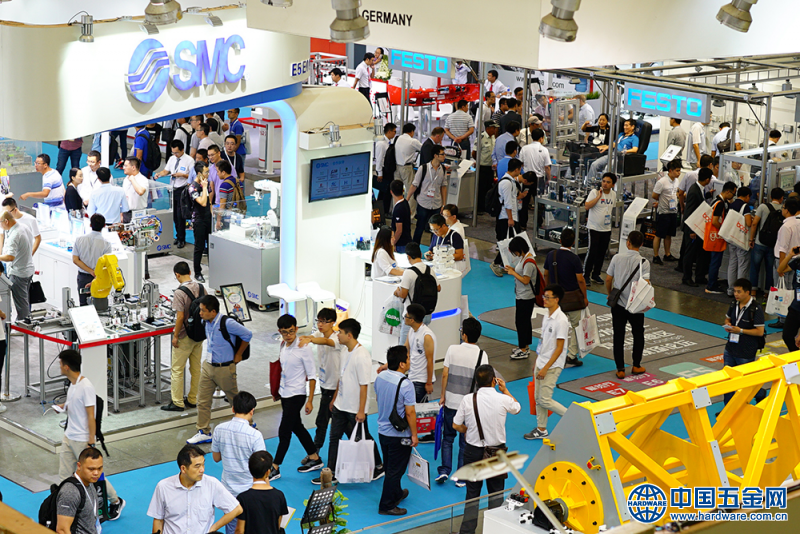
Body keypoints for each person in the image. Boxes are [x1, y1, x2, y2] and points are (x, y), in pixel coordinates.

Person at [56, 349, 125, 520]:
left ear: (66, 366)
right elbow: (73, 404)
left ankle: (115, 501)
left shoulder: (86, 386)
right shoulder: (73, 384)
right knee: (64, 476)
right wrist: (62, 406)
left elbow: (90, 416)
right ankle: (66, 508)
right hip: (69, 436)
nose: (60, 366)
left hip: (81, 440)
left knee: (94, 475)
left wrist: (91, 442)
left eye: (60, 364)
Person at [315, 319, 384, 485]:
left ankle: (379, 465)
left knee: (363, 437)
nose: (337, 335)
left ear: (349, 335)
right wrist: (335, 398)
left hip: (354, 409)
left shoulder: (362, 356)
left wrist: (361, 410)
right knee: (334, 438)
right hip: (340, 405)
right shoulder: (345, 350)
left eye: (340, 332)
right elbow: (342, 377)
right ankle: (331, 473)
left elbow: (364, 386)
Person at [453, 364, 520, 534]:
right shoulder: (503, 399)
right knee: (496, 493)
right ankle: (494, 530)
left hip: (473, 451)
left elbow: (456, 425)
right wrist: (505, 390)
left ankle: (467, 531)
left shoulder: (468, 399)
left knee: (472, 494)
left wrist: (467, 431)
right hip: (496, 453)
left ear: (476, 381)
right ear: (494, 381)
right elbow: (517, 408)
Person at [188, 294, 252, 445]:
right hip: (208, 366)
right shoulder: (206, 321)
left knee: (234, 400)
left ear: (213, 312)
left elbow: (247, 334)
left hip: (225, 368)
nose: (200, 313)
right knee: (202, 400)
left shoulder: (227, 323)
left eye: (203, 310)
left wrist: (238, 354)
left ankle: (248, 425)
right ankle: (203, 431)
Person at [148, 444, 243, 534]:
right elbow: (158, 520)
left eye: (203, 464)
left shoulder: (212, 484)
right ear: (183, 469)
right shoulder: (163, 487)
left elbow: (236, 509)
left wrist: (212, 529)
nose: (202, 470)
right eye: (197, 466)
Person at [272, 314, 323, 478]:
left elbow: (312, 375)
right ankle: (314, 457)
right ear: (279, 331)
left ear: (296, 329)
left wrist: (310, 400)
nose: (288, 335)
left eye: (291, 331)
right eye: (284, 332)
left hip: (297, 395)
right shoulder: (283, 345)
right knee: (297, 427)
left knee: (284, 431)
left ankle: (275, 466)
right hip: (285, 393)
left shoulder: (304, 347)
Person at [211, 392, 266, 534]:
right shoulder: (255, 435)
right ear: (252, 411)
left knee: (232, 527)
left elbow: (216, 458)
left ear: (233, 409)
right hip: (250, 490)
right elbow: (261, 467)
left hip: (228, 490)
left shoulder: (219, 429)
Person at [437, 317, 483, 485]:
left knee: (448, 437)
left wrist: (443, 395)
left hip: (451, 401)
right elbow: (482, 381)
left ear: (464, 335)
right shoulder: (482, 355)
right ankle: (461, 477)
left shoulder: (452, 349)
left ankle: (444, 470)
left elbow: (445, 374)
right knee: (465, 440)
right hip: (469, 405)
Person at [374, 345, 418, 516]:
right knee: (395, 470)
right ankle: (386, 505)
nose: (410, 361)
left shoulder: (380, 377)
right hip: (399, 435)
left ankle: (397, 493)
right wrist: (414, 434)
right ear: (401, 364)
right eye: (408, 358)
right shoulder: (406, 384)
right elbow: (410, 412)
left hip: (382, 431)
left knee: (390, 466)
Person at [523, 284, 570, 439]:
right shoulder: (547, 316)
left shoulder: (561, 321)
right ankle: (541, 429)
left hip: (552, 366)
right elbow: (543, 341)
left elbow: (559, 348)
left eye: (548, 297)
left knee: (544, 399)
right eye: (544, 296)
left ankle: (572, 417)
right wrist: (537, 361)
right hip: (541, 362)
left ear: (557, 299)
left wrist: (545, 367)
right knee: (538, 398)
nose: (544, 300)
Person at [298, 308, 342, 458]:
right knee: (328, 422)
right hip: (324, 385)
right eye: (319, 321)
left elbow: (325, 341)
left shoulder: (337, 339)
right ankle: (315, 452)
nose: (320, 324)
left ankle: (315, 453)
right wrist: (300, 338)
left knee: (324, 422)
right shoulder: (318, 333)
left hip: (335, 388)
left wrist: (310, 340)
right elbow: (313, 336)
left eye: (324, 321)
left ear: (333, 323)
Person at [606, 231, 650, 378]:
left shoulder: (617, 257)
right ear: (641, 244)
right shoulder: (644, 262)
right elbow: (646, 283)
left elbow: (608, 279)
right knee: (638, 334)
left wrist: (610, 293)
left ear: (628, 242)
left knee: (618, 335)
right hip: (635, 305)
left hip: (619, 303)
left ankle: (620, 369)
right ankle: (636, 365)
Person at [162, 261, 205, 412]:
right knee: (196, 368)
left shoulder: (179, 293)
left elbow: (180, 317)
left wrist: (175, 336)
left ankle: (178, 402)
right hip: (199, 334)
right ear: (190, 272)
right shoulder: (201, 287)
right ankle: (193, 399)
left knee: (177, 370)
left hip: (184, 336)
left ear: (177, 275)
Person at [544, 228, 588, 367]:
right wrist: (584, 296)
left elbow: (546, 274)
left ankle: (552, 353)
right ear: (573, 242)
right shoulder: (574, 258)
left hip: (555, 299)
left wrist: (548, 292)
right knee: (576, 327)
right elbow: (580, 280)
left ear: (560, 240)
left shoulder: (551, 255)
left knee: (554, 326)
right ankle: (571, 355)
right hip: (573, 299)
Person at [722, 278, 766, 404]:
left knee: (745, 381)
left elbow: (760, 332)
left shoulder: (756, 309)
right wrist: (728, 324)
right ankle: (728, 410)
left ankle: (760, 393)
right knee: (728, 379)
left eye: (739, 292)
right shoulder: (734, 304)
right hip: (730, 347)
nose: (736, 294)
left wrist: (740, 330)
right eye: (735, 291)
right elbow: (727, 318)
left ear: (747, 292)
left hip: (746, 350)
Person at [394, 242, 441, 345]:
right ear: (420, 254)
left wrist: (397, 292)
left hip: (411, 316)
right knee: (419, 344)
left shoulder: (409, 272)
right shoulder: (430, 270)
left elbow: (403, 294)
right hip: (426, 313)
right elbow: (438, 288)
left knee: (404, 347)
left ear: (408, 257)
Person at [235, 451, 289, 534]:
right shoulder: (279, 495)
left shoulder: (243, 498)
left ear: (250, 470)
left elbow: (240, 530)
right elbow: (278, 525)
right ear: (268, 472)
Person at [55, 447, 105, 534]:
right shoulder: (70, 492)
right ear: (79, 466)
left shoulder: (90, 481)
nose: (96, 473)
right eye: (91, 469)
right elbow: (62, 530)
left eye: (99, 468)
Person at [157, 140, 195, 249]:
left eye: (177, 152)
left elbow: (192, 176)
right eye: (173, 152)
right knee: (174, 215)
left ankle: (181, 239)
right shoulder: (172, 158)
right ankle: (178, 236)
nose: (175, 154)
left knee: (180, 216)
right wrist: (159, 174)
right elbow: (166, 171)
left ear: (182, 150)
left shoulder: (189, 160)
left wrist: (182, 175)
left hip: (182, 189)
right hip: (172, 189)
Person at [490, 158, 524, 277]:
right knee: (508, 243)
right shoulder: (507, 183)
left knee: (510, 241)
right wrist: (510, 218)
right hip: (506, 217)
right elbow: (507, 202)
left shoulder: (510, 181)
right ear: (516, 169)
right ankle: (496, 263)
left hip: (510, 216)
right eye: (520, 169)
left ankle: (503, 264)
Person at [505, 236, 537, 360]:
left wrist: (513, 273)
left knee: (521, 323)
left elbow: (526, 280)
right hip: (522, 295)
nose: (515, 254)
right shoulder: (524, 258)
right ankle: (525, 346)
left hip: (526, 297)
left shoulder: (528, 262)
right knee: (524, 322)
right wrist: (513, 270)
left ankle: (523, 349)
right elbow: (522, 274)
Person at [681, 167, 714, 287]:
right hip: (692, 228)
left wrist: (708, 195)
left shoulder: (698, 189)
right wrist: (691, 230)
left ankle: (699, 276)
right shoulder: (695, 191)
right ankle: (687, 277)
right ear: (707, 180)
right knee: (690, 254)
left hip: (696, 227)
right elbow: (689, 212)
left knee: (700, 252)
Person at [408, 144, 447, 244]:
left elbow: (443, 187)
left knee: (436, 230)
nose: (444, 156)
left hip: (436, 203)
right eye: (442, 154)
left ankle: (433, 248)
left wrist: (443, 204)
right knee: (420, 227)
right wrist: (406, 199)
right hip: (423, 202)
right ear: (435, 155)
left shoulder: (443, 169)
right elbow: (414, 185)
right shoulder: (423, 168)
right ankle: (415, 247)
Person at [771, 197, 800, 328]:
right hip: (796, 260)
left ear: (787, 210)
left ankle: (783, 319)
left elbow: (783, 248)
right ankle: (791, 317)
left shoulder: (786, 226)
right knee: (792, 290)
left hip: (785, 260)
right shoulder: (798, 223)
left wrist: (781, 266)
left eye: (783, 208)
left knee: (782, 290)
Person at [72, 214, 113, 306]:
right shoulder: (106, 244)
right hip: (98, 278)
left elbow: (75, 260)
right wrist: (94, 275)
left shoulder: (79, 240)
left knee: (83, 305)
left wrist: (90, 271)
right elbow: (106, 265)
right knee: (99, 306)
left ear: (90, 225)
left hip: (83, 277)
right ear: (104, 225)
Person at [583, 173, 617, 284]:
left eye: (608, 182)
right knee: (592, 251)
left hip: (606, 228)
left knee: (602, 253)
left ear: (613, 184)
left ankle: (596, 274)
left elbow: (610, 209)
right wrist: (598, 197)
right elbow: (587, 206)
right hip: (594, 227)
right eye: (603, 181)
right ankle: (586, 275)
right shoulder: (594, 192)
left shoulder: (613, 194)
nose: (605, 184)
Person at [0, 212, 34, 321]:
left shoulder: (15, 235)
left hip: (18, 273)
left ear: (6, 221)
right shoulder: (24, 227)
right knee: (24, 300)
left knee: (21, 304)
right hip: (28, 269)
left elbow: (10, 257)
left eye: (0, 223)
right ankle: (22, 322)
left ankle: (24, 325)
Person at [750, 187, 784, 295]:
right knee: (770, 269)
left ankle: (753, 292)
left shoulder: (763, 207)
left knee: (755, 268)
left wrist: (751, 239)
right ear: (782, 198)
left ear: (770, 196)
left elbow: (754, 224)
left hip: (760, 242)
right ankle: (767, 293)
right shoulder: (783, 209)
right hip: (774, 244)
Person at [705, 182, 737, 294]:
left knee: (714, 261)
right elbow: (715, 221)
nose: (733, 196)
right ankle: (711, 286)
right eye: (733, 194)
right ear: (728, 192)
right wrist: (723, 230)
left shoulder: (716, 200)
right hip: (716, 237)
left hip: (712, 236)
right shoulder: (720, 204)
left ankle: (712, 282)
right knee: (715, 262)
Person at [403, 303, 437, 402]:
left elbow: (430, 361)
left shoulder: (427, 336)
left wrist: (429, 383)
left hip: (421, 380)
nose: (404, 318)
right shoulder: (411, 330)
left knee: (417, 407)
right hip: (412, 376)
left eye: (406, 316)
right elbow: (404, 350)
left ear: (412, 320)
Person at [651, 159, 682, 265]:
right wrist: (661, 202)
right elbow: (654, 195)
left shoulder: (676, 181)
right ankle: (656, 256)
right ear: (670, 170)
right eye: (677, 171)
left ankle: (667, 254)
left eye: (679, 170)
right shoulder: (662, 182)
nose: (679, 173)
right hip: (663, 212)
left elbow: (676, 193)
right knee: (659, 234)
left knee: (669, 234)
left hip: (673, 211)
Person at [726, 187, 753, 296]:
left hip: (731, 237)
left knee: (732, 263)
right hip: (741, 239)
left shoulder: (731, 204)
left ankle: (730, 289)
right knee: (742, 265)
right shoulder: (745, 207)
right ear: (747, 196)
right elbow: (748, 223)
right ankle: (740, 291)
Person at [189, 161, 212, 283]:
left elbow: (209, 201)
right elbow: (202, 202)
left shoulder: (206, 184)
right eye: (206, 172)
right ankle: (197, 272)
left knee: (212, 245)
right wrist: (204, 187)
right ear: (199, 173)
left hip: (208, 218)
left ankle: (213, 268)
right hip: (199, 220)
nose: (208, 174)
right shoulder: (193, 187)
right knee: (199, 246)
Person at [394, 123, 422, 213]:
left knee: (396, 192)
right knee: (410, 191)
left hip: (397, 167)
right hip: (407, 168)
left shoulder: (398, 138)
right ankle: (411, 215)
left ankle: (396, 211)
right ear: (412, 131)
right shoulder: (413, 141)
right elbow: (423, 148)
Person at [374, 123, 397, 217]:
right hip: (384, 171)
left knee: (387, 192)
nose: (395, 133)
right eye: (394, 131)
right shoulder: (381, 144)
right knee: (385, 192)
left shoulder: (388, 142)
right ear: (389, 131)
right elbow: (379, 159)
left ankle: (384, 211)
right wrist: (379, 173)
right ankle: (382, 212)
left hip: (388, 169)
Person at [474, 121, 498, 213]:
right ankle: (480, 207)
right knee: (481, 188)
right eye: (493, 128)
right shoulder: (481, 138)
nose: (495, 130)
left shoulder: (494, 138)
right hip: (482, 167)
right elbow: (474, 152)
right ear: (488, 128)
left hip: (491, 167)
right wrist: (479, 161)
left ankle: (486, 206)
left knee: (489, 187)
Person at [390, 180, 411, 253]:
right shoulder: (405, 202)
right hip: (407, 239)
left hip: (401, 244)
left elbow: (399, 230)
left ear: (391, 192)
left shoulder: (398, 208)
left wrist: (393, 243)